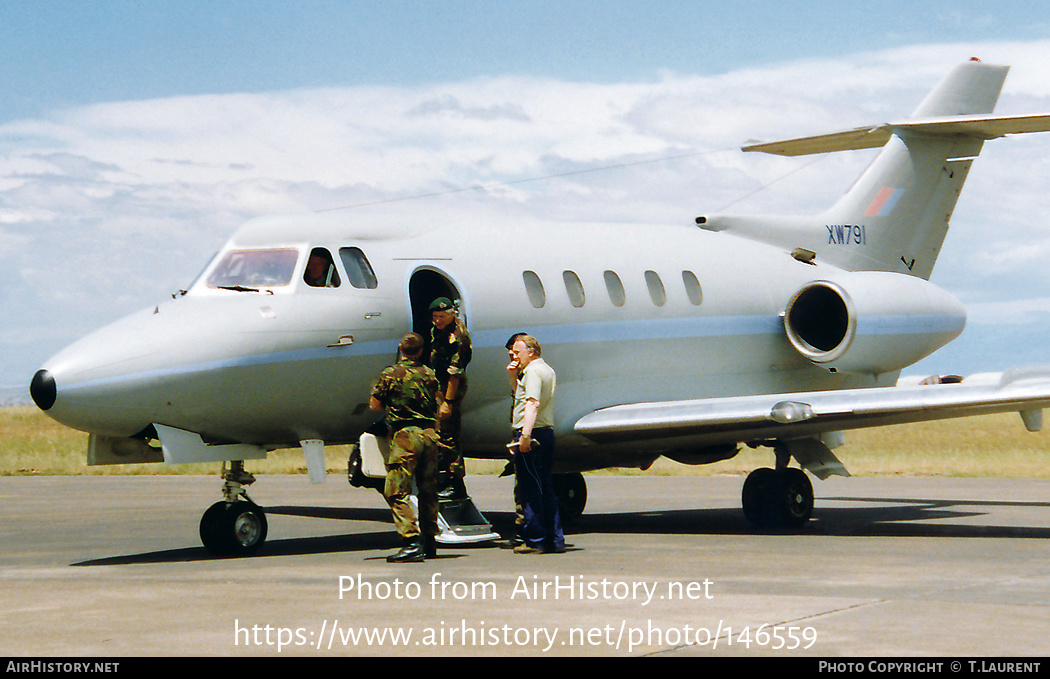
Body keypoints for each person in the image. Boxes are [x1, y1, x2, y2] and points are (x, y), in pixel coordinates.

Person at [369, 332, 441, 563]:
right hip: (429, 435)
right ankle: (430, 541)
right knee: (428, 489)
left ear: (401, 348)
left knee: (396, 490)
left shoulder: (391, 373)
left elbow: (375, 404)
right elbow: (438, 402)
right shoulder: (430, 374)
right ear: (421, 351)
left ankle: (411, 541)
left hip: (406, 436)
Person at [507, 335, 564, 554]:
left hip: (533, 433)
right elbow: (522, 396)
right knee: (545, 487)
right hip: (546, 432)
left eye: (517, 352)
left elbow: (531, 403)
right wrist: (513, 376)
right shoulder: (546, 369)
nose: (514, 355)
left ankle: (536, 539)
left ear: (530, 352)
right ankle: (554, 538)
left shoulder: (531, 371)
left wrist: (524, 436)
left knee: (530, 489)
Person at [428, 297, 472, 498]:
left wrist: (448, 402)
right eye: (435, 316)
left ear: (452, 314)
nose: (437, 320)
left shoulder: (458, 337)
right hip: (439, 386)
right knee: (439, 434)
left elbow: (455, 373)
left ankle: (455, 483)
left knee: (449, 435)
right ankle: (443, 477)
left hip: (451, 388)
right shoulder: (436, 331)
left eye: (441, 316)